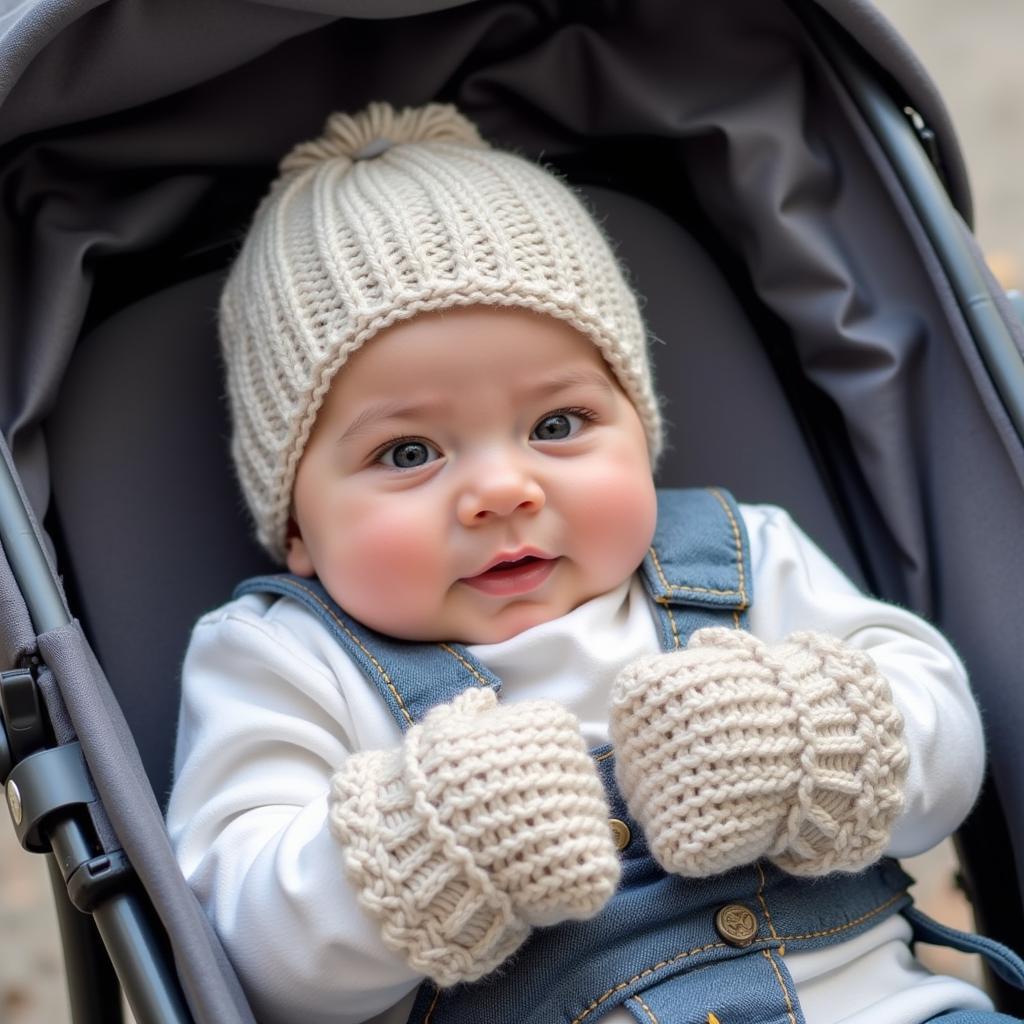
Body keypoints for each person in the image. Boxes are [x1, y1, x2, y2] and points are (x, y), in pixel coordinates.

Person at [166, 102, 1024, 1024]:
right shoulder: (284, 660)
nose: (501, 489)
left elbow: (942, 736)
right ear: (295, 525)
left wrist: (812, 737)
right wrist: (426, 847)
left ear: (640, 433)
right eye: (408, 453)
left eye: (556, 426)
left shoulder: (743, 555)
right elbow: (243, 939)